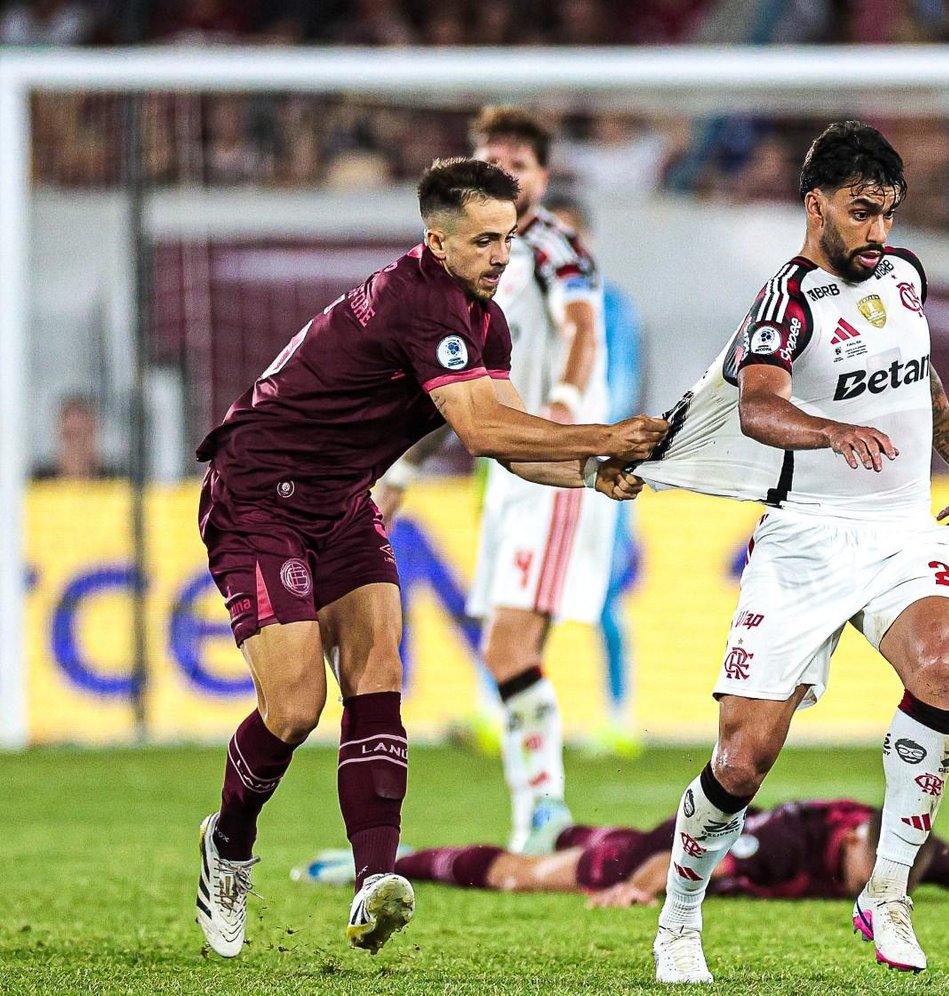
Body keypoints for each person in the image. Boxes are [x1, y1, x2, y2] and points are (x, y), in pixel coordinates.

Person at [190, 156, 664, 960]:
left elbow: (511, 444)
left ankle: (375, 878)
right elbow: (480, 431)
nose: (502, 256)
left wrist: (591, 470)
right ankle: (228, 843)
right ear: (437, 241)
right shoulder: (420, 301)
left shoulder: (484, 319)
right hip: (259, 496)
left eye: (508, 238)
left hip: (343, 502)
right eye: (484, 241)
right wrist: (605, 434)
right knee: (297, 706)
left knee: (379, 668)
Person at [631, 121, 949, 982]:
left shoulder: (904, 276)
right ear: (816, 204)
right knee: (743, 759)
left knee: (941, 663)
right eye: (862, 213)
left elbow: (920, 374)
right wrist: (830, 430)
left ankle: (888, 892)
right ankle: (679, 917)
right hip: (805, 542)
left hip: (901, 533)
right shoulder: (786, 301)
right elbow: (758, 407)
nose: (879, 232)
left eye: (889, 213)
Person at [378, 108, 615, 855]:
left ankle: (544, 811)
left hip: (552, 468)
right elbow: (458, 392)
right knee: (506, 648)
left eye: (518, 164)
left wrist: (567, 408)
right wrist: (402, 470)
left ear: (542, 177)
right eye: (492, 162)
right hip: (513, 469)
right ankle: (536, 816)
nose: (504, 175)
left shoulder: (553, 246)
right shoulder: (465, 273)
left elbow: (582, 327)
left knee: (508, 646)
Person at [292, 798, 949, 908]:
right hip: (671, 843)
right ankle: (377, 860)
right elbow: (696, 845)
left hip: (694, 837)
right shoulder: (788, 842)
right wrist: (641, 891)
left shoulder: (907, 843)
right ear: (850, 845)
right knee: (524, 877)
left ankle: (566, 825)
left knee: (570, 844)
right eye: (879, 874)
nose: (886, 884)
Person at [545, 191, 646, 757]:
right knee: (523, 593)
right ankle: (499, 707)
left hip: (596, 468)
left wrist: (596, 444)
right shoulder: (525, 305)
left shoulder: (613, 309)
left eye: (571, 235)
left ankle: (618, 715)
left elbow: (623, 389)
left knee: (603, 591)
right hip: (542, 469)